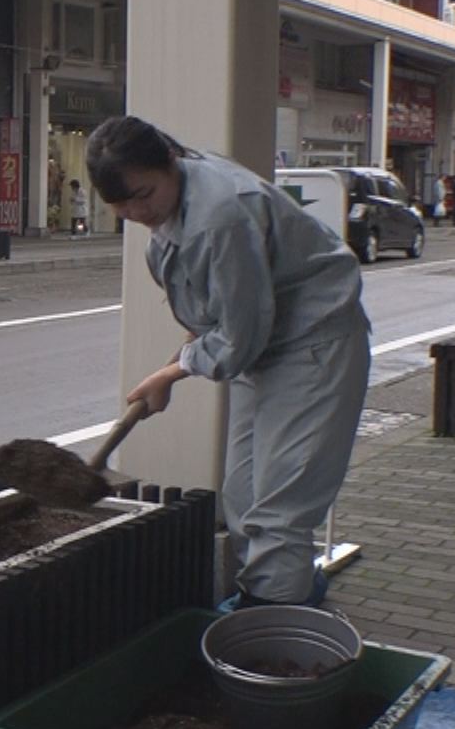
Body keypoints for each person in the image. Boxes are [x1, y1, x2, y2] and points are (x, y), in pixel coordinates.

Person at [87, 116, 371, 609]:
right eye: (121, 206)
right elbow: (224, 314)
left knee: (279, 508)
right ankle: (284, 588)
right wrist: (191, 346)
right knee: (242, 494)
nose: (137, 211)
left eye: (144, 195)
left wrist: (172, 372)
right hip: (263, 348)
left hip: (311, 346)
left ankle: (275, 624)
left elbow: (239, 336)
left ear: (171, 161)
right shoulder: (179, 197)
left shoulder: (220, 216)